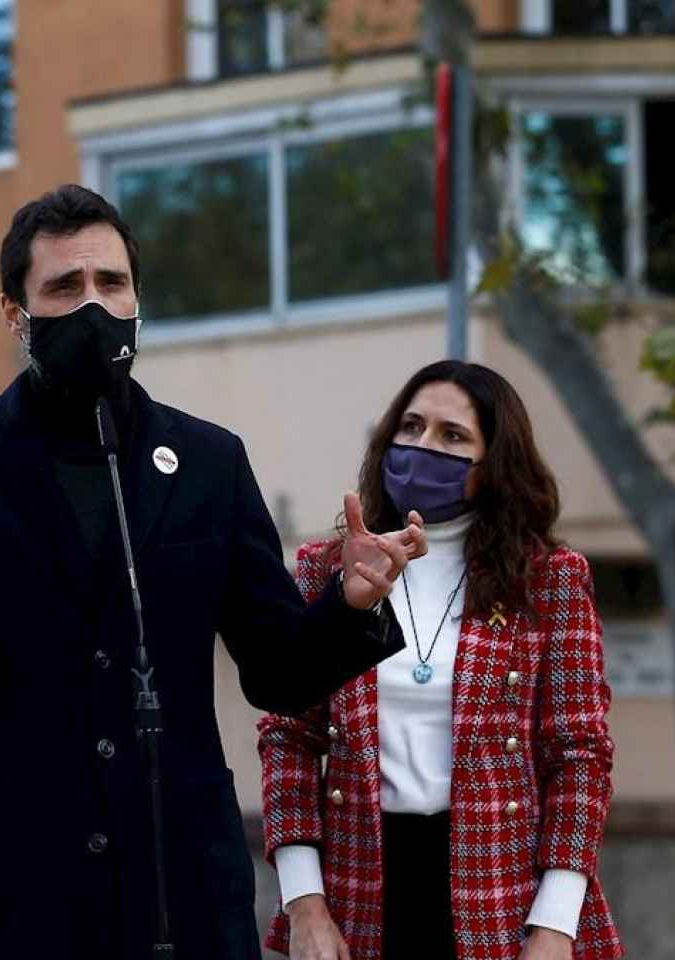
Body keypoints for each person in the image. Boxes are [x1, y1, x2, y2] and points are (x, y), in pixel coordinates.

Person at [0, 184, 425, 960]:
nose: (93, 307)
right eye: (65, 288)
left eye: (111, 284)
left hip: (181, 894)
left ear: (138, 298)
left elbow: (277, 672)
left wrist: (351, 605)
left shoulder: (209, 461)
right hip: (14, 899)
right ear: (16, 313)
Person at [258, 360, 624, 960]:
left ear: (492, 465)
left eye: (452, 436)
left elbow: (581, 754)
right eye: (410, 427)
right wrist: (304, 903)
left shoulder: (549, 579)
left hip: (502, 896)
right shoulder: (331, 566)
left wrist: (557, 922)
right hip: (357, 894)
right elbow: (287, 736)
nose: (422, 448)